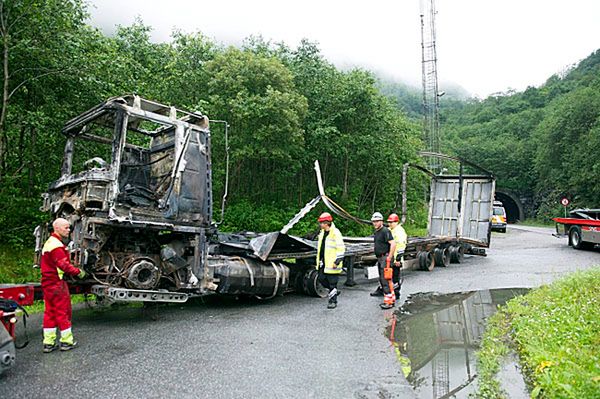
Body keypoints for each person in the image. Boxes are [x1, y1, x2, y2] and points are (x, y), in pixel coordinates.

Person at [40, 218, 86, 352]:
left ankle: (48, 343)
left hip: (48, 283)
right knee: (63, 311)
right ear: (57, 228)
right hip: (57, 283)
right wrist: (79, 272)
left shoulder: (50, 243)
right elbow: (64, 265)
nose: (69, 230)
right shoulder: (56, 246)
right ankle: (66, 341)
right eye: (66, 228)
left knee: (50, 312)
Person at [315, 212, 345, 309]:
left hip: (332, 263)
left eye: (321, 223)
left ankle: (333, 301)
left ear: (326, 223)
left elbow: (341, 248)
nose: (320, 225)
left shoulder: (335, 233)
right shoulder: (323, 233)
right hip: (323, 262)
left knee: (332, 282)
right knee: (321, 278)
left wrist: (337, 261)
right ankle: (334, 290)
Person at [370, 212, 396, 309]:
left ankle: (389, 302)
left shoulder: (385, 231)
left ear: (381, 221)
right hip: (380, 258)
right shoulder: (377, 232)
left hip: (385, 258)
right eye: (374, 221)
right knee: (382, 279)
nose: (375, 223)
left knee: (386, 279)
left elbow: (393, 244)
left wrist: (389, 257)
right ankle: (391, 298)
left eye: (377, 221)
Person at [388, 213, 407, 299]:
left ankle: (396, 293)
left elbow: (401, 245)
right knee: (388, 276)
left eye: (392, 222)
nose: (390, 224)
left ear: (396, 222)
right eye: (389, 222)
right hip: (390, 257)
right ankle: (388, 291)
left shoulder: (399, 231)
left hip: (396, 259)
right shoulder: (390, 230)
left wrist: (398, 259)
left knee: (395, 276)